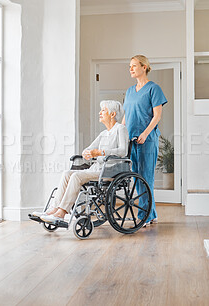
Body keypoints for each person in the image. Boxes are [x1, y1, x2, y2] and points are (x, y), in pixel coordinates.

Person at [33, 100, 128, 223]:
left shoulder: (120, 129)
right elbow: (89, 148)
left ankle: (61, 213)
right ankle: (52, 209)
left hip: (110, 171)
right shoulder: (104, 133)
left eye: (103, 110)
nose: (100, 113)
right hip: (96, 168)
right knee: (67, 173)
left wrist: (100, 152)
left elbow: (123, 151)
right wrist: (86, 152)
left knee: (77, 176)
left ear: (112, 114)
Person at [122, 55, 167, 225]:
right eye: (130, 66)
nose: (131, 69)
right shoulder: (129, 91)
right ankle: (151, 213)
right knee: (136, 177)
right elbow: (126, 116)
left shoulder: (153, 89)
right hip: (131, 139)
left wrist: (146, 133)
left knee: (145, 177)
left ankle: (144, 216)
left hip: (147, 139)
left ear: (144, 67)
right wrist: (119, 134)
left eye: (134, 66)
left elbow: (157, 116)